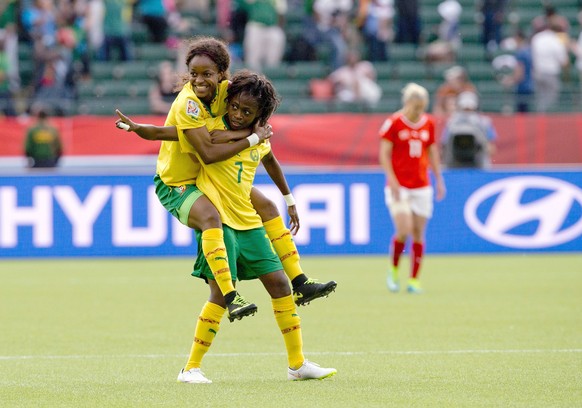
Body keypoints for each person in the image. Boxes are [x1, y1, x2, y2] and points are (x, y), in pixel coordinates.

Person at [115, 37, 336, 318]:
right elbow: (206, 149)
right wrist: (251, 137)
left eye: (206, 74)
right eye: (193, 74)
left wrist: (288, 197)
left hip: (209, 176)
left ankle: (300, 282)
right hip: (178, 183)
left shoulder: (229, 94)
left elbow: (251, 133)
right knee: (211, 218)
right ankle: (231, 296)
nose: (198, 80)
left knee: (267, 206)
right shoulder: (188, 104)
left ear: (222, 74)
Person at [175, 69, 337, 383]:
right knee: (220, 296)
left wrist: (289, 197)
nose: (236, 114)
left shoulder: (259, 137)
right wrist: (252, 135)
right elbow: (210, 144)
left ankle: (297, 364)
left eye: (246, 112)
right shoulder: (215, 128)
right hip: (218, 223)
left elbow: (270, 159)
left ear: (260, 115)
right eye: (234, 107)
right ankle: (191, 368)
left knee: (280, 285)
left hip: (248, 223)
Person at [378, 83, 446, 294]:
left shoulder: (429, 124)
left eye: (422, 107)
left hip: (421, 186)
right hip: (399, 187)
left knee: (418, 233)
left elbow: (433, 152)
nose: (419, 112)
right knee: (403, 230)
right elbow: (384, 155)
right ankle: (393, 270)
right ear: (407, 103)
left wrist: (439, 179)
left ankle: (414, 280)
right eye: (416, 107)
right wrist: (393, 180)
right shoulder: (394, 123)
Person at [440, 91, 497, 169]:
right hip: (455, 165)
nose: (467, 112)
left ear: (475, 107)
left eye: (470, 109)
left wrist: (479, 148)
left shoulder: (484, 123)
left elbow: (491, 149)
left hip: (479, 165)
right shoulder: (451, 123)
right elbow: (444, 147)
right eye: (464, 109)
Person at [531, 20, 569, 112]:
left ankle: (540, 120)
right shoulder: (555, 40)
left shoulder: (536, 38)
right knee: (551, 99)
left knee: (540, 98)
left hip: (537, 72)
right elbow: (563, 61)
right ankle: (546, 122)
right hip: (551, 73)